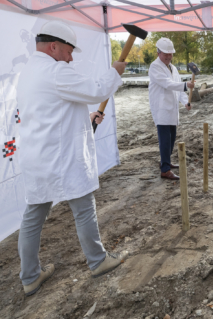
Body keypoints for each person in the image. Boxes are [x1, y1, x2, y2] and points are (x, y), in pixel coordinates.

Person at [16, 20, 129, 296]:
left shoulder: (29, 71)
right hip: (60, 159)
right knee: (84, 206)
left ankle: (30, 277)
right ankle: (99, 261)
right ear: (53, 46)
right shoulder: (55, 71)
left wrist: (87, 117)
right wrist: (114, 71)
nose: (70, 57)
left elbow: (54, 110)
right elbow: (97, 90)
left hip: (38, 157)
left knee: (33, 217)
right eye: (68, 51)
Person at [150, 38, 194, 180]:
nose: (168, 57)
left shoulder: (173, 68)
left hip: (172, 109)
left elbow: (178, 87)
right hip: (161, 109)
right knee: (165, 140)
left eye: (170, 54)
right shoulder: (154, 67)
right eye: (165, 54)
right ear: (158, 53)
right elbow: (168, 84)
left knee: (172, 138)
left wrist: (185, 102)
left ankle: (166, 162)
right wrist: (186, 85)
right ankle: (165, 170)